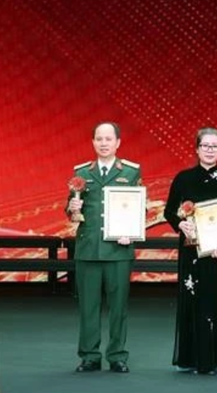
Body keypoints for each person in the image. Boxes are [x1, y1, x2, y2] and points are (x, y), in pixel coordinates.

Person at [163, 127, 217, 375]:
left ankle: (215, 359)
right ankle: (191, 358)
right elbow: (169, 211)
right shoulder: (183, 178)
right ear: (197, 148)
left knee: (215, 301)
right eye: (205, 145)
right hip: (191, 251)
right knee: (192, 299)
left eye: (214, 146)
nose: (209, 150)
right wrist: (180, 224)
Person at [67, 122, 141, 373]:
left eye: (109, 138)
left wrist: (129, 233)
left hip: (118, 250)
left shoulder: (131, 172)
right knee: (89, 306)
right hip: (88, 249)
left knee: (118, 307)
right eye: (99, 138)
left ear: (118, 142)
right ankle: (89, 355)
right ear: (93, 142)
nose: (104, 143)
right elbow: (71, 210)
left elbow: (138, 208)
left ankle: (117, 355)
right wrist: (72, 209)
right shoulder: (81, 173)